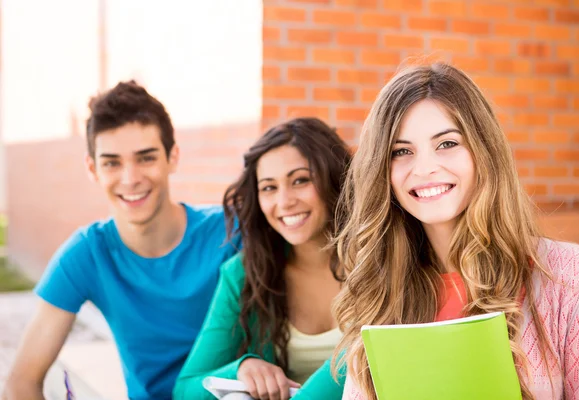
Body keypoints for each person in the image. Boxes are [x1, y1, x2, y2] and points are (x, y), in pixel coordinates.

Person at [331, 63, 579, 400]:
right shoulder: (383, 294)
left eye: (446, 144)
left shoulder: (573, 278)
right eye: (402, 151)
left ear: (483, 151)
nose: (425, 167)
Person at [3, 81, 239, 400]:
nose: (130, 178)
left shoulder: (230, 233)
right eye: (112, 162)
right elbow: (21, 382)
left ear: (173, 157)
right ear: (93, 168)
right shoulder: (89, 252)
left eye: (146, 158)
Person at [173, 118, 351, 400]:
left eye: (301, 180)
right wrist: (241, 369)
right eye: (269, 187)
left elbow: (357, 363)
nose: (284, 201)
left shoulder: (380, 262)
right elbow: (186, 391)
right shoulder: (244, 274)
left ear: (333, 178)